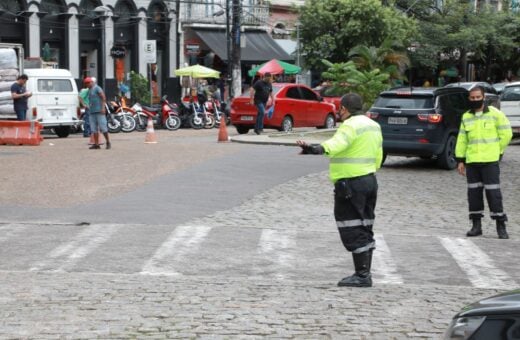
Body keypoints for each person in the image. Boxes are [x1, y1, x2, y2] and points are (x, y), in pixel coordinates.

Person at [297, 93, 383, 287]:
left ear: (344, 109)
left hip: (351, 184)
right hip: (369, 180)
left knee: (351, 226)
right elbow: (379, 154)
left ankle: (362, 276)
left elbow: (336, 145)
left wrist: (313, 149)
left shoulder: (350, 126)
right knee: (365, 225)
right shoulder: (374, 125)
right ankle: (364, 272)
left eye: (340, 109)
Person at [455, 86, 512, 239]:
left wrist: (497, 151)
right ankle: (476, 226)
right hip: (472, 162)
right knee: (473, 195)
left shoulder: (495, 114)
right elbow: (462, 139)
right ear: (469, 98)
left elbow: (507, 133)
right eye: (472, 98)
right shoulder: (466, 116)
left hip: (490, 162)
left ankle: (501, 225)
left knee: (493, 194)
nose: (475, 100)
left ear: (483, 97)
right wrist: (460, 160)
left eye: (477, 97)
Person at [85, 77, 111, 150]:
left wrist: (103, 108)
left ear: (92, 82)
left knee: (103, 128)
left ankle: (108, 142)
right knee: (93, 129)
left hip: (99, 111)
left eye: (88, 83)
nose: (87, 84)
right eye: (86, 83)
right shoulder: (89, 90)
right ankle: (96, 144)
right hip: (92, 112)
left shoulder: (97, 88)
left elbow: (103, 97)